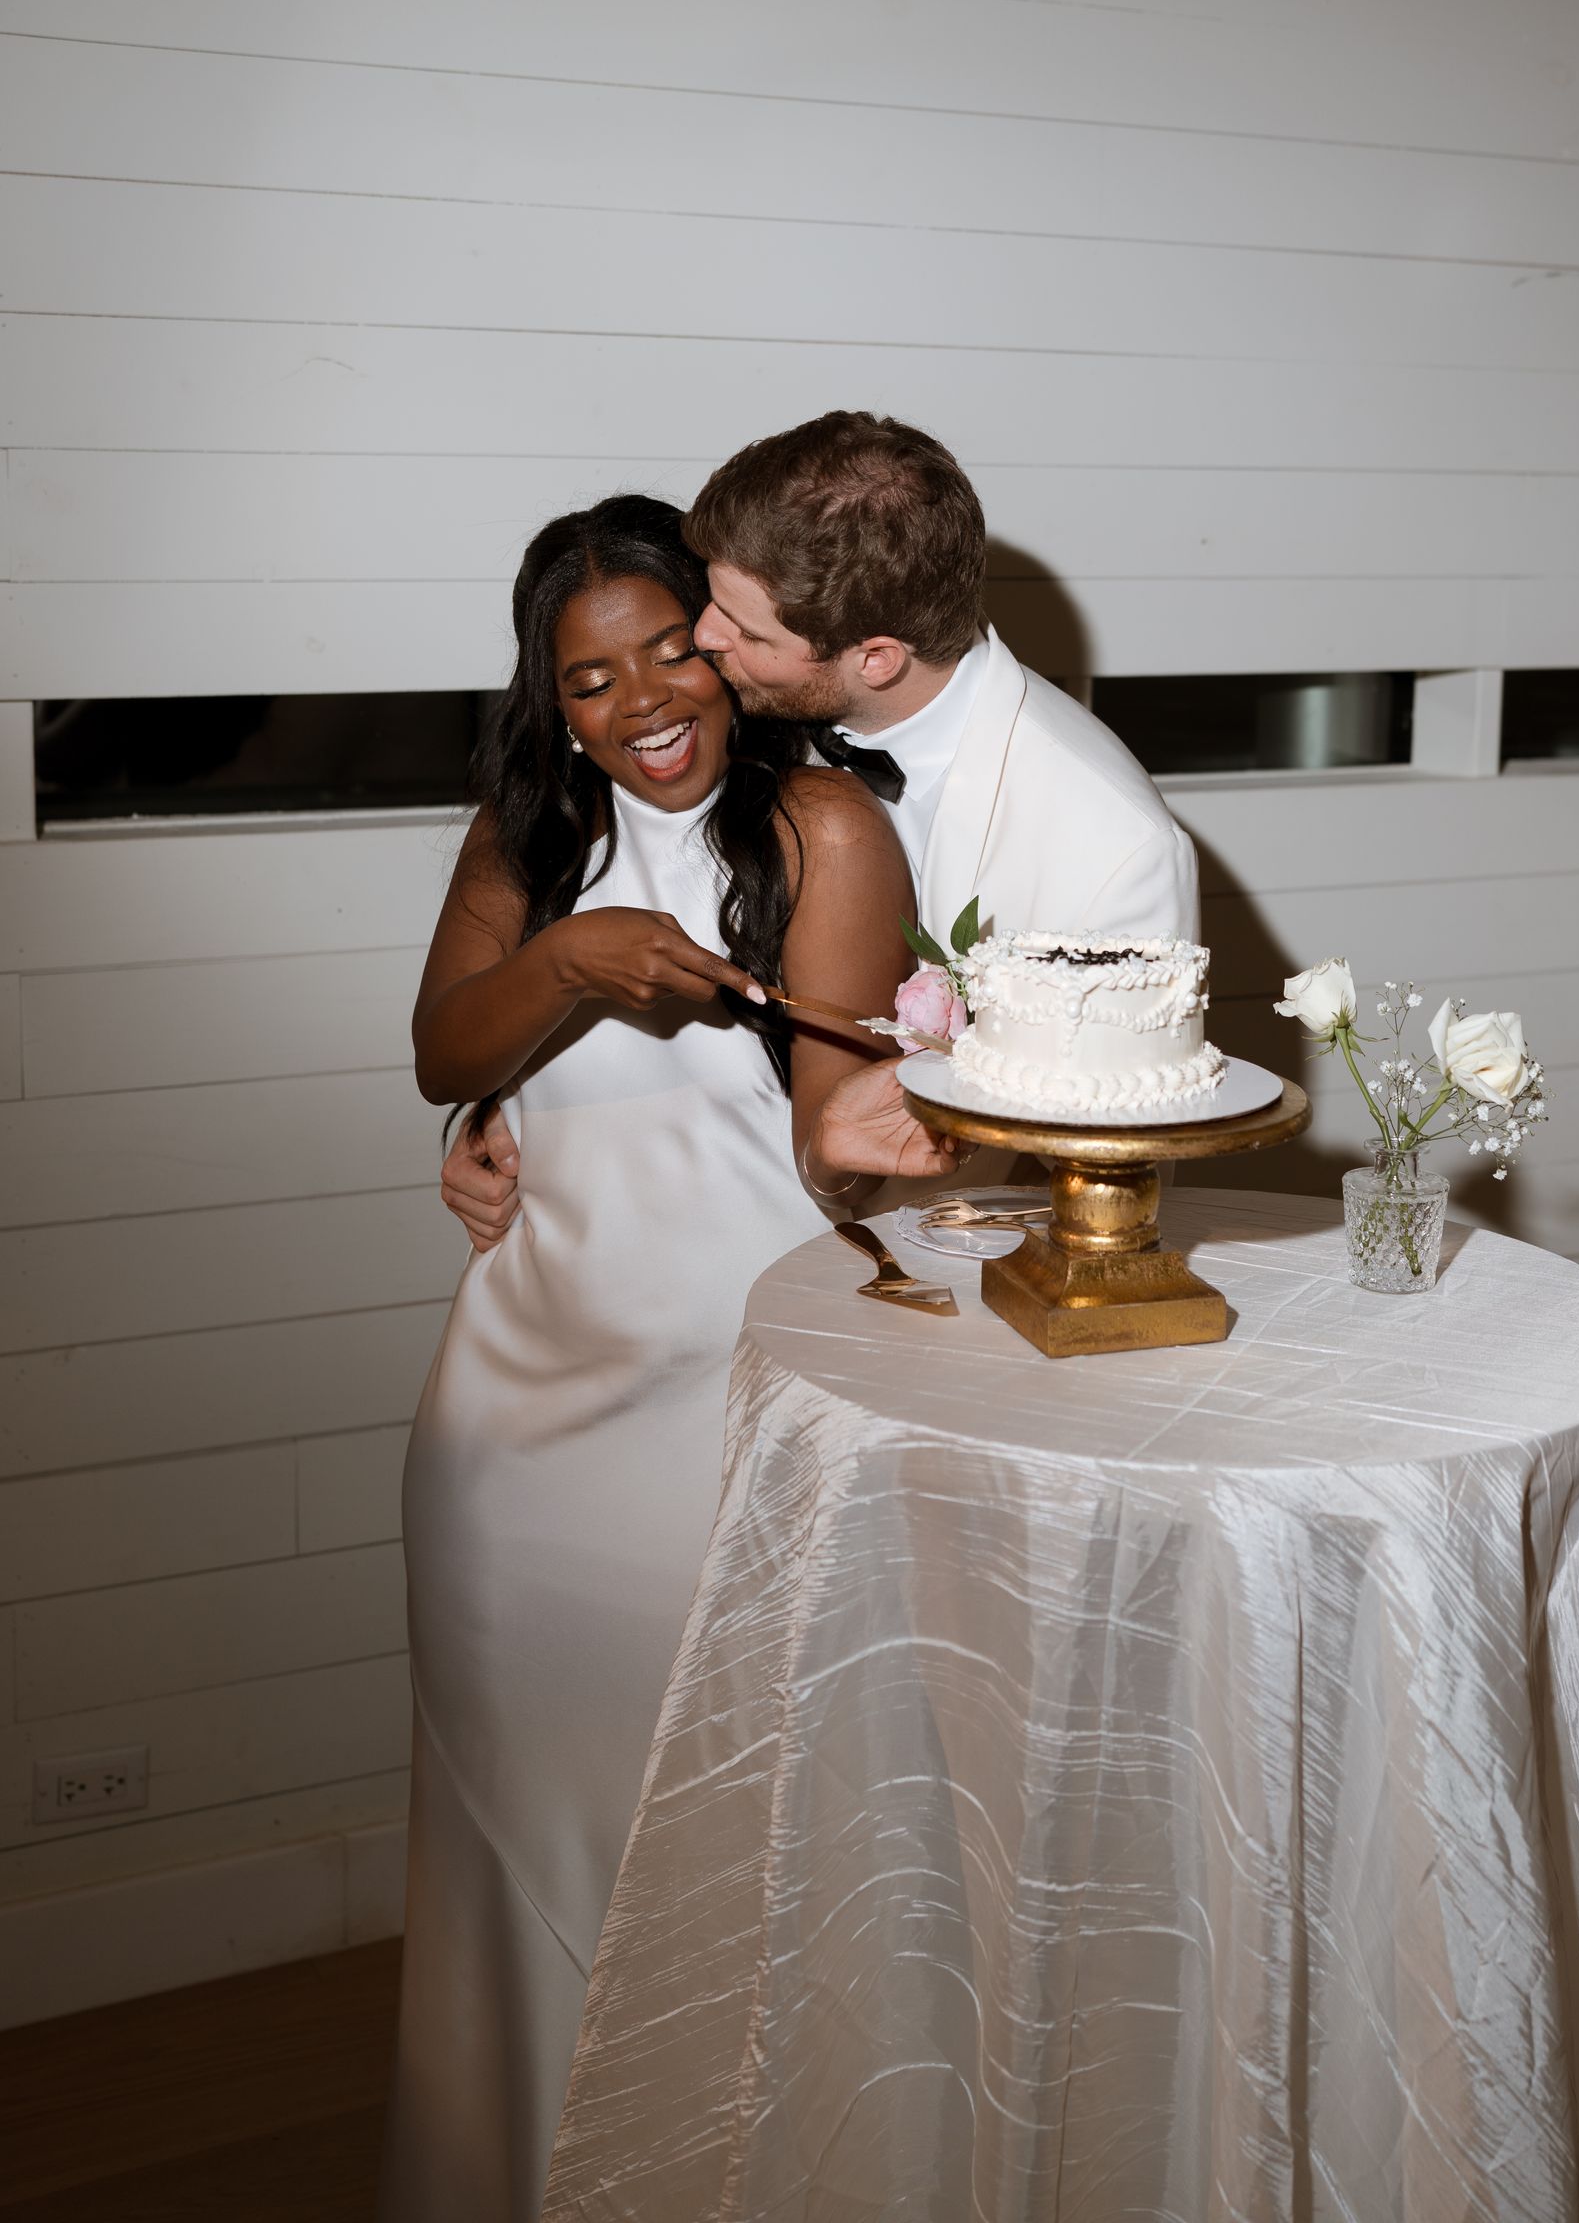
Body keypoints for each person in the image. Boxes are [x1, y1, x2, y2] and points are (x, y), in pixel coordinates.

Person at [379, 494, 956, 2223]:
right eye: (588, 675)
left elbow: (828, 1146)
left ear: (724, 644)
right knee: (513, 1851)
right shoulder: (524, 840)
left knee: (717, 1853)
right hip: (511, 1431)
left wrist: (940, 1130)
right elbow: (441, 1055)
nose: (639, 698)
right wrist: (568, 963)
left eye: (666, 647)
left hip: (717, 1421)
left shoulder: (824, 833)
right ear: (551, 702)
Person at [442, 412, 1199, 1246]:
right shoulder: (778, 698)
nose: (704, 636)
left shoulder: (1113, 844)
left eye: (737, 628)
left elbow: (1111, 1165)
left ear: (873, 657)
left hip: (944, 1267)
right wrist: (516, 1110)